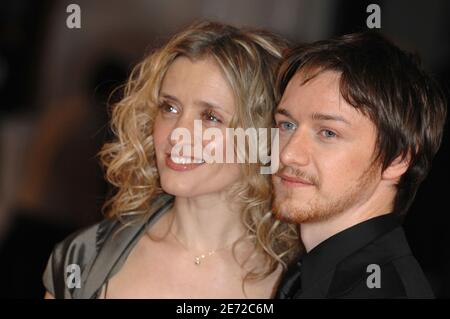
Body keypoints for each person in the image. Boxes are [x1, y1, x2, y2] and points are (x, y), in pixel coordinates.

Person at [42, 21, 299, 299]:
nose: (177, 134)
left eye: (210, 117)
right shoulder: (85, 258)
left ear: (261, 136)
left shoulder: (298, 280)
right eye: (169, 107)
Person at [273, 32, 447, 299]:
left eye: (328, 133)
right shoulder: (317, 274)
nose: (288, 154)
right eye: (287, 125)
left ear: (397, 159)